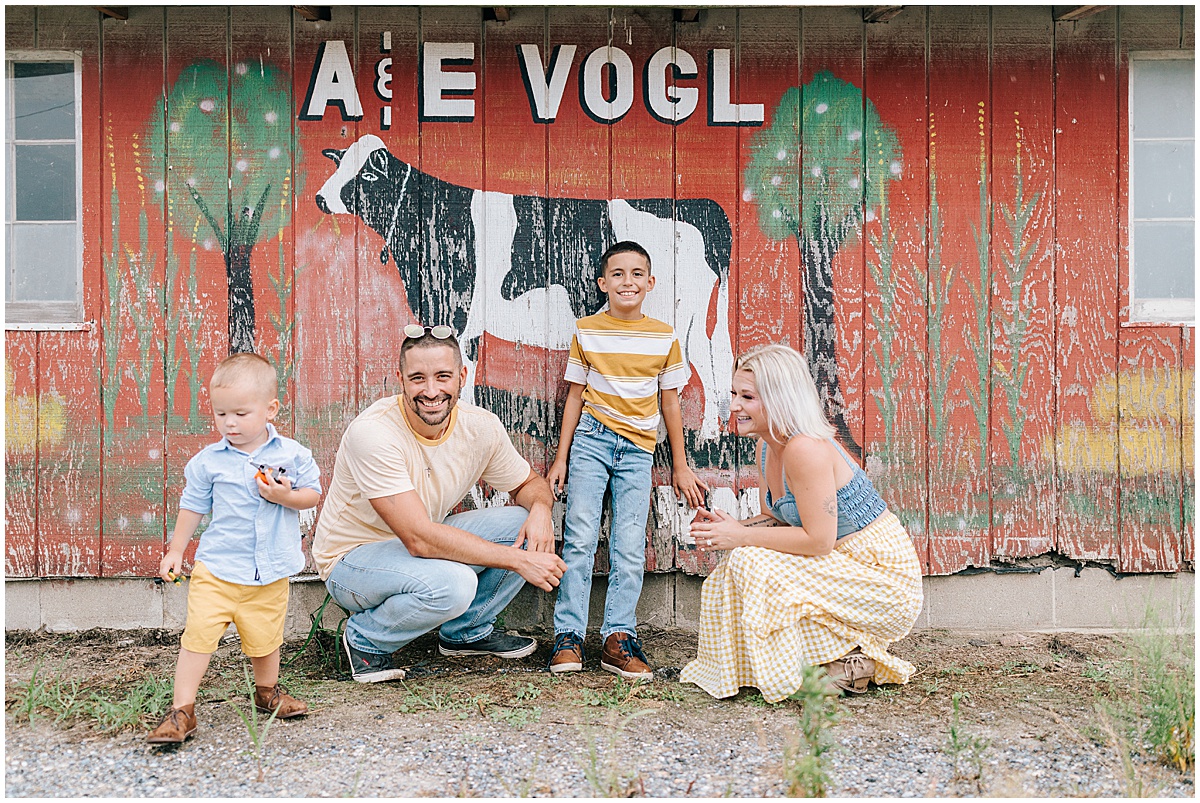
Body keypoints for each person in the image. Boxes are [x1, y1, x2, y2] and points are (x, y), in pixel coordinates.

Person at [311, 324, 567, 683]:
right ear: (400, 378)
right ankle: (365, 638)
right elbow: (420, 539)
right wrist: (520, 560)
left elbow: (529, 484)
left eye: (443, 376)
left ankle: (467, 631)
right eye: (418, 378)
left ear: (462, 376)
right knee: (455, 583)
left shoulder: (480, 427)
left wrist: (541, 511)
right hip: (353, 561)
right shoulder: (374, 432)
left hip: (415, 546)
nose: (431, 391)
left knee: (519, 520)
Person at [681, 344, 923, 702]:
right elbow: (778, 520)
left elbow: (819, 541)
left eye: (747, 396)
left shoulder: (804, 448)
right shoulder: (768, 445)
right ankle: (829, 662)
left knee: (750, 559)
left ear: (780, 397)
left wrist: (741, 538)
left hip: (882, 577)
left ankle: (848, 662)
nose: (733, 406)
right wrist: (733, 527)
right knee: (740, 560)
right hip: (839, 565)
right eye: (735, 394)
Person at [546, 241, 708, 680]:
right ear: (603, 283)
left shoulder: (664, 336)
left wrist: (679, 464)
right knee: (579, 537)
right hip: (591, 443)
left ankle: (618, 637)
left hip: (638, 448)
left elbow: (670, 403)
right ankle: (569, 637)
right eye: (617, 274)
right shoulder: (586, 330)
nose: (627, 282)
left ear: (650, 283)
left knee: (629, 544)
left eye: (637, 274)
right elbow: (575, 396)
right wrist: (561, 458)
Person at [148, 353, 322, 744]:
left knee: (266, 638)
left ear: (270, 409)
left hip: (270, 571)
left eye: (241, 414)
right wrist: (176, 551)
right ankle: (182, 711)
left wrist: (285, 496)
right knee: (198, 637)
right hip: (219, 568)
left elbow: (312, 495)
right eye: (221, 414)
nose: (229, 423)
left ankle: (266, 693)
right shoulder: (209, 462)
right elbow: (192, 506)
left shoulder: (292, 454)